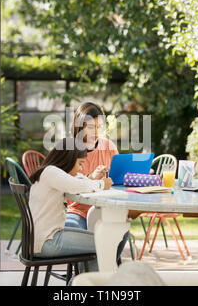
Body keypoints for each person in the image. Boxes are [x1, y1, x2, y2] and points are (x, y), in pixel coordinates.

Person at [28, 138, 113, 270]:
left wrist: (93, 176)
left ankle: (82, 282)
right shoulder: (51, 172)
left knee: (99, 242)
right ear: (68, 159)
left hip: (41, 239)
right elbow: (76, 185)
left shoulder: (50, 171)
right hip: (47, 242)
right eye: (80, 164)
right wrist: (102, 184)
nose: (80, 168)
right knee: (104, 242)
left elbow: (77, 179)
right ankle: (82, 283)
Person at [65, 102, 132, 264]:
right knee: (80, 234)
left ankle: (101, 271)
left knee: (122, 231)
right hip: (77, 211)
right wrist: (91, 177)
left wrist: (135, 175)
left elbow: (119, 178)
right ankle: (91, 275)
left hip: (105, 210)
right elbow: (67, 187)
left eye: (99, 126)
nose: (95, 132)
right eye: (90, 127)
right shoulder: (69, 149)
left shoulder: (108, 146)